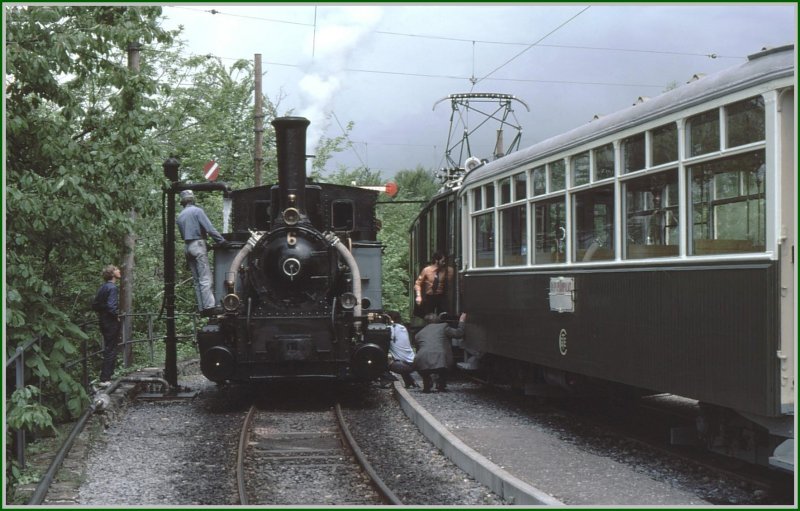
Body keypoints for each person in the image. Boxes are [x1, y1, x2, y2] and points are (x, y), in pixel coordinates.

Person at [176, 189, 227, 317]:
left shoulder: (180, 215)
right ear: (193, 199)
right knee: (205, 278)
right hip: (198, 245)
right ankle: (209, 307)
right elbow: (209, 229)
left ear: (182, 202)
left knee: (197, 279)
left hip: (187, 247)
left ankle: (202, 308)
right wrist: (222, 241)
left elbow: (187, 234)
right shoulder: (197, 211)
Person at [413, 312, 467, 393]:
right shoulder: (443, 326)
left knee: (425, 370)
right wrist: (462, 321)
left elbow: (418, 348)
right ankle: (441, 386)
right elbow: (459, 334)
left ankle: (427, 386)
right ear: (438, 320)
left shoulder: (419, 333)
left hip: (421, 360)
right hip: (441, 361)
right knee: (443, 367)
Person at [93, 265, 121, 386]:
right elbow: (111, 306)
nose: (119, 271)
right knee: (111, 349)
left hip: (103, 320)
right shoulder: (113, 288)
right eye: (116, 269)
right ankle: (105, 379)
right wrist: (116, 316)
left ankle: (106, 376)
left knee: (109, 348)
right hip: (110, 322)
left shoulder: (103, 287)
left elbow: (95, 305)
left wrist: (105, 311)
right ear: (112, 274)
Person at [414, 252, 453, 316]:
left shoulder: (448, 270)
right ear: (436, 260)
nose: (444, 263)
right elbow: (418, 284)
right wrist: (418, 296)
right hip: (430, 296)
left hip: (441, 296)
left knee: (444, 315)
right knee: (428, 314)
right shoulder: (426, 270)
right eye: (442, 261)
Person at [386, 311, 418, 389]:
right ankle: (410, 382)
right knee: (399, 359)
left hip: (405, 365)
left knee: (384, 363)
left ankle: (388, 381)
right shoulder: (403, 328)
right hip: (413, 362)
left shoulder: (390, 329)